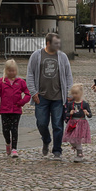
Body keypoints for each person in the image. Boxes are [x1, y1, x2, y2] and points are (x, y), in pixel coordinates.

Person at [26, 33, 73, 161]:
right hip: (41, 97)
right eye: (55, 43)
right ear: (47, 43)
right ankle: (46, 140)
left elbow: (68, 75)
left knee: (58, 125)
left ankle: (57, 150)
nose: (58, 45)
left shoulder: (62, 57)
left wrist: (69, 93)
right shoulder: (37, 55)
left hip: (58, 97)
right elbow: (30, 74)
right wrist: (33, 92)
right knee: (41, 123)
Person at [0, 58, 31, 157]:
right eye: (9, 71)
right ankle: (8, 143)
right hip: (5, 110)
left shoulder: (20, 82)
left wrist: (21, 102)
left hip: (16, 110)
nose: (11, 73)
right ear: (6, 71)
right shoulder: (1, 82)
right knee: (5, 129)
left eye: (13, 71)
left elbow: (28, 94)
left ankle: (14, 149)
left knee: (14, 129)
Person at [61, 83, 93, 162]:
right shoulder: (71, 104)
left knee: (77, 139)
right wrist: (70, 113)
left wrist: (87, 113)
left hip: (81, 123)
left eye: (76, 93)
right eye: (73, 93)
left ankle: (79, 153)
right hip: (72, 123)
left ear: (80, 94)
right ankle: (77, 148)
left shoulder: (85, 104)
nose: (74, 95)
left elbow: (90, 115)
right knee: (70, 139)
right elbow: (67, 114)